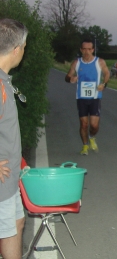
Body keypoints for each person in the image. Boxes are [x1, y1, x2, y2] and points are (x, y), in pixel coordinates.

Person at [0, 18, 28, 259]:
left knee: (17, 224)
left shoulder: (4, 79)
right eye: (25, 46)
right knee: (8, 231)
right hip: (1, 180)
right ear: (17, 49)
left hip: (10, 178)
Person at [65, 39, 110, 155]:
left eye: (89, 49)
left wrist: (104, 84)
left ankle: (92, 137)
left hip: (95, 97)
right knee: (84, 124)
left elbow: (107, 74)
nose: (86, 51)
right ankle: (85, 146)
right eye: (84, 49)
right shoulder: (77, 63)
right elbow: (67, 76)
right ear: (81, 50)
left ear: (93, 50)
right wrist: (71, 79)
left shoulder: (99, 62)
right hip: (81, 97)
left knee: (94, 125)